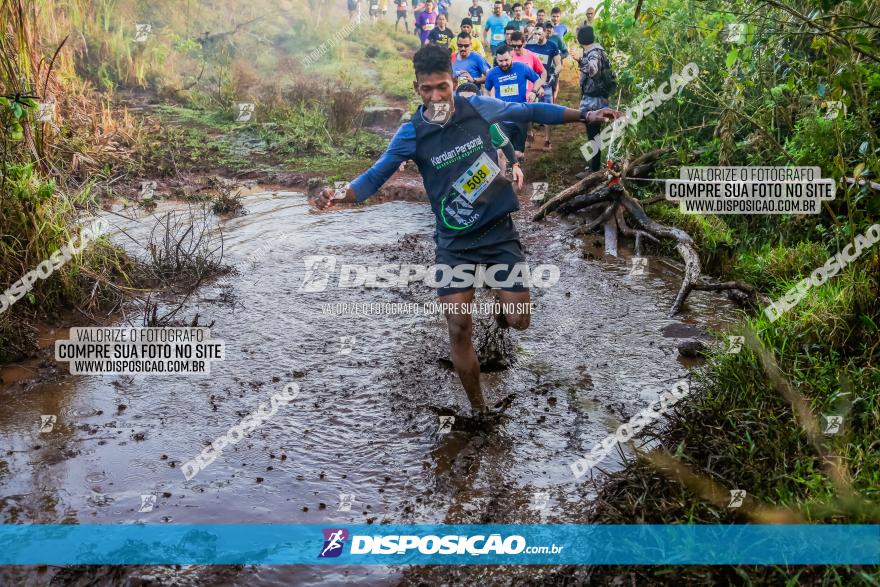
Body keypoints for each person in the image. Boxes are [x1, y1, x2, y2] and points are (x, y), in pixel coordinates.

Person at [312, 44, 622, 418]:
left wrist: (585, 113)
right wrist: (339, 195)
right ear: (417, 89)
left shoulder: (480, 108)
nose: (435, 96)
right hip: (454, 243)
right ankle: (479, 410)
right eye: (427, 90)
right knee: (459, 326)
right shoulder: (412, 133)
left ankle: (500, 304)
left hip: (497, 233)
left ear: (454, 82)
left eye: (442, 87)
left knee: (519, 320)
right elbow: (374, 176)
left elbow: (530, 110)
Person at [456, 82, 524, 183]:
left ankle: (501, 183)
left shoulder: (487, 123)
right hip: (456, 170)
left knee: (499, 152)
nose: (468, 104)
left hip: (480, 169)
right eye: (463, 101)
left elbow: (504, 143)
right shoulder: (445, 123)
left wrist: (515, 165)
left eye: (472, 100)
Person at [484, 43, 544, 157]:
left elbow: (538, 80)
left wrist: (534, 92)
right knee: (502, 152)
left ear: (512, 56)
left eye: (506, 60)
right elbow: (486, 90)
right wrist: (488, 103)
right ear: (496, 59)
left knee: (518, 153)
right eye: (500, 61)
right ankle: (507, 171)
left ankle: (517, 167)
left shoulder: (522, 67)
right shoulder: (492, 73)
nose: (504, 63)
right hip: (501, 117)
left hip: (520, 115)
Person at [578, 25, 616, 171]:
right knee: (593, 134)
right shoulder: (597, 50)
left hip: (594, 99)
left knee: (594, 135)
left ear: (581, 38)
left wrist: (580, 60)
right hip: (596, 97)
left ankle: (595, 170)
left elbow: (593, 71)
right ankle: (594, 167)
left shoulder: (593, 52)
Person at [526, 25, 562, 150]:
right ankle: (529, 134)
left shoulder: (552, 46)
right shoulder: (529, 45)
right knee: (529, 110)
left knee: (548, 111)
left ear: (545, 33)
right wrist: (529, 36)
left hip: (546, 83)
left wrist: (553, 75)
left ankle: (547, 140)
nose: (537, 36)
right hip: (532, 83)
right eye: (535, 34)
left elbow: (558, 64)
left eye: (540, 34)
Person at [544, 21, 568, 100]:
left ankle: (553, 102)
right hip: (542, 68)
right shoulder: (540, 38)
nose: (548, 29)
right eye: (547, 27)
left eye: (550, 27)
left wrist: (558, 57)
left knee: (553, 86)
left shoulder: (556, 38)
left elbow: (565, 52)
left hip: (554, 68)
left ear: (553, 29)